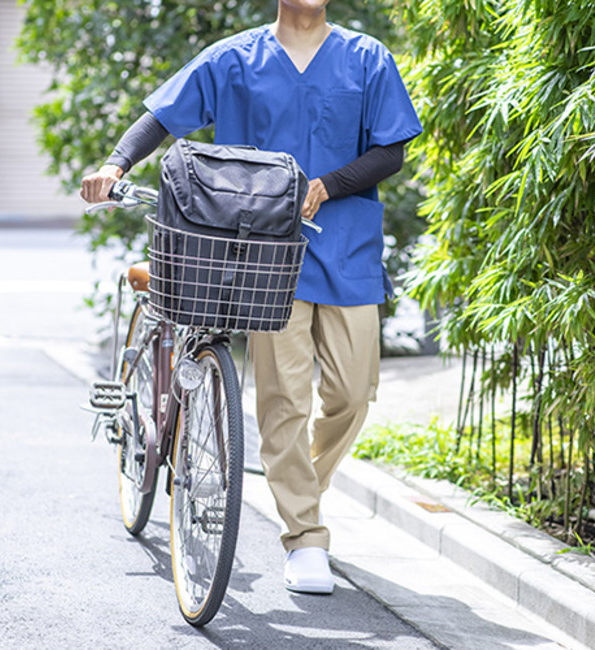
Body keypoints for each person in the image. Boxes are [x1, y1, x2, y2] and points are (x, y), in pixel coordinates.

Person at [81, 0, 422, 594]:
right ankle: (305, 535)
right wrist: (115, 164)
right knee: (284, 399)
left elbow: (391, 150)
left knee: (352, 393)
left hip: (346, 251)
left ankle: (297, 487)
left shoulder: (367, 58)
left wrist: (329, 184)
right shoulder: (236, 58)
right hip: (262, 254)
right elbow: (163, 114)